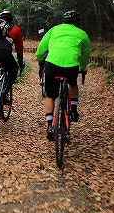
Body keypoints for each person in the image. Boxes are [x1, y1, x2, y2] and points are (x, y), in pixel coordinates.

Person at [34, 10, 90, 142]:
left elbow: (42, 46)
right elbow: (85, 55)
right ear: (78, 23)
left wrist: (39, 58)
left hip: (52, 65)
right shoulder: (82, 34)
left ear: (64, 21)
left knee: (50, 96)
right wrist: (82, 68)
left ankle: (49, 126)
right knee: (72, 84)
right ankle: (73, 110)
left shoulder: (54, 30)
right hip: (71, 67)